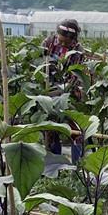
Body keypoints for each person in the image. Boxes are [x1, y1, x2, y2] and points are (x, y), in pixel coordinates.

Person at [42, 19, 86, 163]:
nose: (61, 44)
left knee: (75, 130)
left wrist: (65, 92)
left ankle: (77, 166)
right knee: (52, 129)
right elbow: (40, 67)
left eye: (65, 42)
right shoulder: (48, 43)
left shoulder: (78, 51)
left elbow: (76, 78)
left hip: (69, 94)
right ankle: (54, 164)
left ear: (72, 40)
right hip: (50, 92)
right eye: (60, 40)